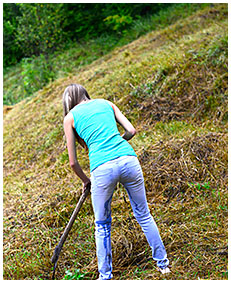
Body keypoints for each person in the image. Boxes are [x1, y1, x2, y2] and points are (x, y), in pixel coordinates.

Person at [62, 84, 170, 280]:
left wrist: (87, 181)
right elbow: (131, 130)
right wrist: (118, 142)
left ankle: (105, 276)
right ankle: (163, 265)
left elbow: (72, 163)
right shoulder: (106, 103)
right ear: (85, 94)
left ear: (69, 101)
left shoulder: (70, 118)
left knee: (102, 225)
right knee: (144, 215)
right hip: (129, 159)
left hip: (102, 169)